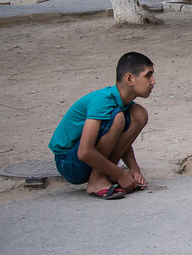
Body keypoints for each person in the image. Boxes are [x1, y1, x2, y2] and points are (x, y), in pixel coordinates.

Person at [49, 52, 155, 199]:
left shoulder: (122, 103)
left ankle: (105, 176)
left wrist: (134, 169)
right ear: (129, 78)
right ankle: (96, 180)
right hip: (69, 162)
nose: (153, 81)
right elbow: (84, 152)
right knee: (118, 119)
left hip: (88, 160)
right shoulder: (102, 101)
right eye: (148, 75)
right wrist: (120, 174)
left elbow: (121, 138)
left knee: (139, 113)